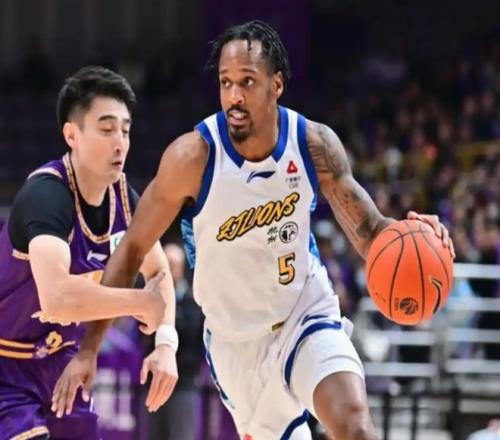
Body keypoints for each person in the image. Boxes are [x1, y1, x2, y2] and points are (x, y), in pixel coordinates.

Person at [54, 22, 455, 439]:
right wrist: (89, 348)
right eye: (225, 82)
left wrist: (412, 234)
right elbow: (133, 248)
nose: (234, 96)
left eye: (247, 81)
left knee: (355, 426)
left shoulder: (314, 145)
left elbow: (371, 229)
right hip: (237, 344)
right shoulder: (192, 158)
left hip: (304, 311)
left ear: (276, 85)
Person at [0, 66, 178, 440]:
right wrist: (138, 302)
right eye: (106, 129)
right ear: (72, 135)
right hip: (5, 364)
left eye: (125, 130)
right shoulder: (46, 197)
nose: (120, 142)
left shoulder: (125, 200)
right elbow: (58, 298)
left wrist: (165, 342)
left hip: (61, 363)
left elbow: (159, 272)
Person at [148, 243, 204, 440]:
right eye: (166, 263)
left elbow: (193, 335)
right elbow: (143, 334)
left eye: (173, 264)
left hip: (185, 383)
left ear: (181, 267)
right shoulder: (148, 297)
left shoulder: (194, 299)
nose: (169, 269)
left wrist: (167, 326)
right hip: (153, 382)